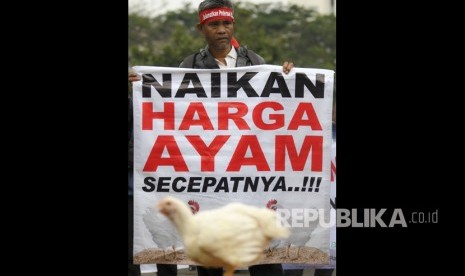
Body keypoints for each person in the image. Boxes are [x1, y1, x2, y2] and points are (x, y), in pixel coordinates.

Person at [128, 0, 293, 275]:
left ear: (233, 25)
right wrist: (142, 87)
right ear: (201, 28)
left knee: (263, 255)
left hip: (247, 168)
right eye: (213, 25)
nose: (221, 30)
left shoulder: (256, 63)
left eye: (226, 23)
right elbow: (174, 112)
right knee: (211, 252)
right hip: (209, 170)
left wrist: (289, 76)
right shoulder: (190, 65)